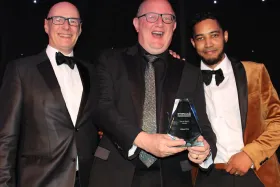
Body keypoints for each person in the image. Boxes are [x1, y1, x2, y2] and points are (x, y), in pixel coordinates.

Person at [89, 1, 216, 187]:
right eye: (151, 16)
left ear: (174, 26)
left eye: (167, 18)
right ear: (136, 23)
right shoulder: (110, 60)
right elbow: (102, 108)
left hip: (173, 178)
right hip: (114, 174)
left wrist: (205, 149)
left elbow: (202, 126)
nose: (160, 23)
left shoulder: (190, 72)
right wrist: (143, 140)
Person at [0, 2, 99, 187]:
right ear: (46, 25)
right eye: (58, 19)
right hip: (39, 181)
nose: (66, 26)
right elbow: (5, 139)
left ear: (80, 28)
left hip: (87, 180)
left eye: (73, 21)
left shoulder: (91, 72)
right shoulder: (21, 70)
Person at [188, 11, 280, 187]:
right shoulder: (186, 79)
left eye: (214, 35)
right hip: (207, 176)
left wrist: (250, 154)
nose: (208, 44)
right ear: (193, 43)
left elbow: (277, 120)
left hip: (255, 173)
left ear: (225, 36)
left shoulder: (255, 72)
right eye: (200, 38)